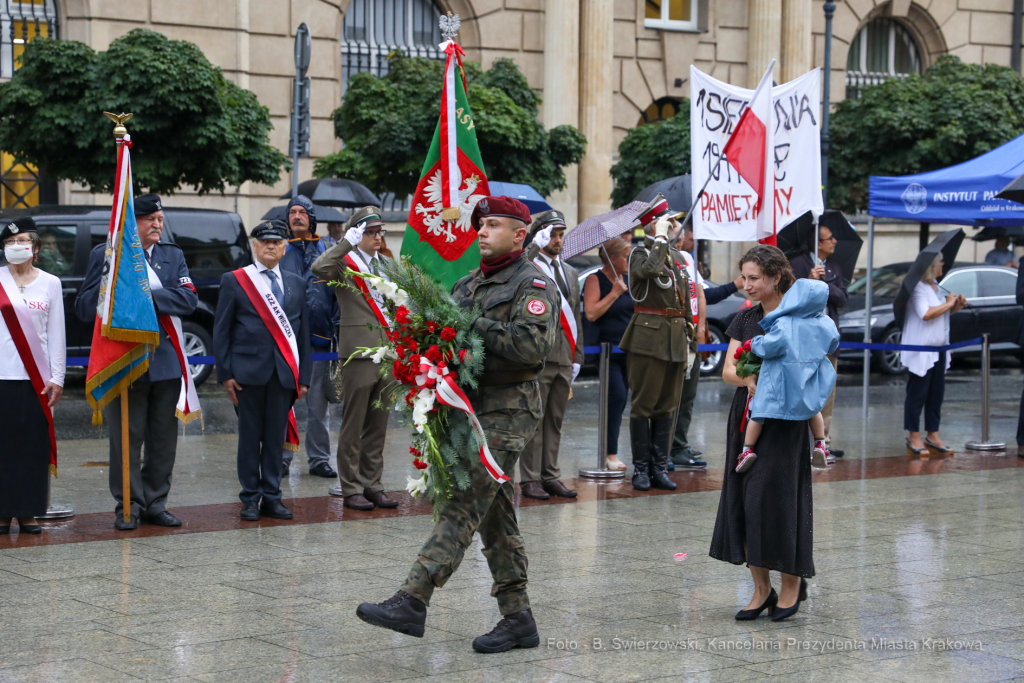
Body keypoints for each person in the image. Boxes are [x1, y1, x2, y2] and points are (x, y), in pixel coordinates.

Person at [356, 196, 558, 654]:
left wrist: (471, 324)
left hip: (508, 410)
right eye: (480, 224)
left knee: (464, 501)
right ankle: (518, 618)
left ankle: (413, 597)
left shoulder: (533, 283)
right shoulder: (467, 283)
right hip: (466, 406)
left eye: (493, 225)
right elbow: (444, 336)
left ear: (519, 235)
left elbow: (531, 347)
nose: (481, 231)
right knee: (494, 512)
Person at [75, 194, 199, 530]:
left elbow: (188, 299)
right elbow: (84, 307)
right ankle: (128, 505)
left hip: (165, 361)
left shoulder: (172, 256)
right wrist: (113, 286)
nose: (158, 225)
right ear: (133, 223)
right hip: (123, 361)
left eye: (160, 219)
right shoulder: (106, 254)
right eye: (150, 219)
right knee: (126, 439)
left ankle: (156, 503)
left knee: (162, 439)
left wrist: (140, 295)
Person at [710, 244, 816, 623]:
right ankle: (760, 589)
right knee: (747, 498)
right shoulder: (745, 318)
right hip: (749, 415)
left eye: (754, 278)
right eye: (744, 277)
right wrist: (750, 379)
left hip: (787, 418)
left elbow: (815, 364)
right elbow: (728, 371)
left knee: (782, 499)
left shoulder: (800, 315)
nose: (747, 285)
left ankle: (791, 584)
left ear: (776, 277)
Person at [213, 220, 311, 521]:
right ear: (254, 246)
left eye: (277, 242)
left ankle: (272, 497)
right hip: (247, 374)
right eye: (264, 241)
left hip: (283, 375)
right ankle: (249, 498)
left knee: (274, 439)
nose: (270, 246)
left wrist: (304, 377)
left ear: (285, 248)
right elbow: (222, 330)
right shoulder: (236, 280)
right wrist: (225, 374)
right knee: (249, 438)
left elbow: (303, 335)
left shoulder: (296, 282)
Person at [312, 207, 398, 511]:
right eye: (370, 232)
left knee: (378, 424)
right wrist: (345, 243)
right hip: (359, 352)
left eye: (379, 231)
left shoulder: (386, 264)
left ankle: (373, 484)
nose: (377, 237)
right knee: (354, 423)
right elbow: (318, 268)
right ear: (357, 234)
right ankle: (350, 488)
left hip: (388, 351)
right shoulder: (344, 263)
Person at [619, 195, 695, 491]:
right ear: (654, 224)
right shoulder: (639, 253)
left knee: (667, 406)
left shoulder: (677, 257)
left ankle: (659, 468)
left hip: (675, 338)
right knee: (644, 406)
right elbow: (650, 270)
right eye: (669, 221)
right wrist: (660, 237)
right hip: (648, 339)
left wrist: (689, 333)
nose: (675, 225)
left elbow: (684, 297)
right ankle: (641, 469)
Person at [0, 218, 65, 535]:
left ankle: (28, 512)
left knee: (31, 447)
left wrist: (59, 376)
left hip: (37, 378)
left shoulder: (51, 283)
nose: (16, 246)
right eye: (10, 242)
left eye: (23, 241)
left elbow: (56, 333)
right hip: (2, 375)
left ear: (35, 247)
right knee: (3, 446)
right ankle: (2, 512)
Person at [734, 279, 839, 473]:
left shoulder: (784, 324)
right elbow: (833, 345)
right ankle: (820, 444)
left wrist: (754, 343)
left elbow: (768, 347)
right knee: (813, 409)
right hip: (809, 379)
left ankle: (747, 450)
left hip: (780, 382)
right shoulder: (826, 323)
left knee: (759, 413)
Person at [520, 209, 582, 500]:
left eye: (560, 235)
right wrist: (533, 244)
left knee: (555, 419)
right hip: (539, 356)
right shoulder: (529, 266)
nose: (557, 240)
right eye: (552, 235)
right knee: (534, 419)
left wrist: (577, 356)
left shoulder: (570, 272)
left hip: (564, 356)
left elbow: (576, 316)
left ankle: (550, 475)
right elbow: (515, 267)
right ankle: (530, 479)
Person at [279, 195, 337, 479]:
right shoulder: (278, 248)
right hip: (285, 342)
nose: (297, 216)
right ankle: (281, 458)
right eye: (292, 212)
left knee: (318, 406)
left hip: (319, 342)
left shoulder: (328, 249)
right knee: (282, 405)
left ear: (311, 218)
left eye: (302, 212)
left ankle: (319, 460)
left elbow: (337, 293)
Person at [789, 223, 848, 460]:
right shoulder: (797, 265)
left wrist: (824, 285)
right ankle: (802, 441)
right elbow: (790, 298)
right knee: (804, 390)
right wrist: (808, 281)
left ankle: (823, 441)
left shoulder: (834, 266)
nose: (834, 242)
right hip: (804, 340)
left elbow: (842, 297)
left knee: (827, 392)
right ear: (818, 243)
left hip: (828, 339)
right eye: (830, 238)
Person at [902, 253, 967, 457]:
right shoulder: (917, 288)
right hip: (921, 350)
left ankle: (933, 434)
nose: (943, 264)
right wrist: (948, 303)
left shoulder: (936, 286)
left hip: (939, 349)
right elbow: (926, 314)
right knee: (917, 394)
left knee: (936, 394)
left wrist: (955, 307)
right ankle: (913, 436)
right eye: (940, 261)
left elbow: (940, 315)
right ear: (931, 266)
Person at [583, 237, 632, 471]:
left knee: (623, 401)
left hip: (629, 350)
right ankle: (609, 453)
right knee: (617, 397)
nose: (629, 261)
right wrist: (613, 293)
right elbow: (591, 313)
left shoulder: (627, 280)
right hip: (607, 352)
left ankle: (611, 450)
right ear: (613, 259)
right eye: (626, 256)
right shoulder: (596, 279)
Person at [667, 221, 709, 470]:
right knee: (670, 395)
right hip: (672, 336)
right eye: (676, 236)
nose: (681, 240)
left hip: (690, 336)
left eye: (682, 236)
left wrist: (701, 327)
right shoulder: (658, 258)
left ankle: (679, 444)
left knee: (688, 394)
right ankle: (666, 448)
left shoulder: (688, 259)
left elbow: (700, 294)